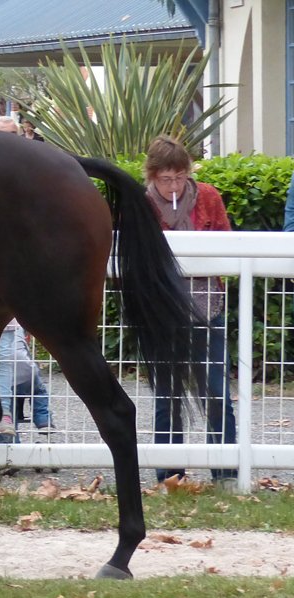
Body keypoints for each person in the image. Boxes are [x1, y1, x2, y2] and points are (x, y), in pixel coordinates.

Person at [144, 135, 237, 484]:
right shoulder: (143, 204)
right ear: (152, 176)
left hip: (205, 306)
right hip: (162, 312)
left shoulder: (208, 196)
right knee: (167, 395)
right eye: (165, 179)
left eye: (180, 177)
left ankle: (226, 471)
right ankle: (170, 473)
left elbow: (227, 245)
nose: (174, 185)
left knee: (216, 390)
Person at [0, 319, 54, 440]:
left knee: (10, 407)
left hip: (2, 380)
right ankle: (43, 420)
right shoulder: (16, 325)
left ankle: (9, 440)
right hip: (27, 374)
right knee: (39, 391)